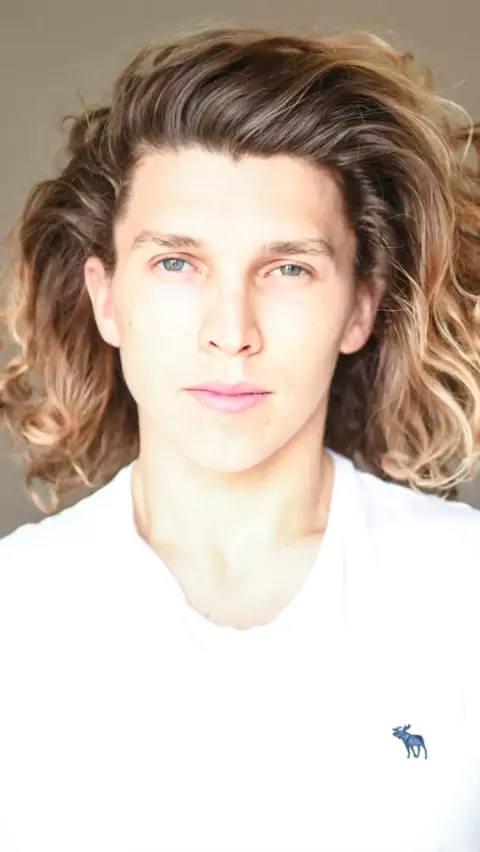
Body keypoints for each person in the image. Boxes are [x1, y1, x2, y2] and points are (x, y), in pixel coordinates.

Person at [0, 23, 479, 852]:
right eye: (176, 263)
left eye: (288, 268)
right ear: (106, 298)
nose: (231, 331)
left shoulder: (466, 588)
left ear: (359, 307)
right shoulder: (16, 608)